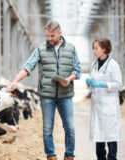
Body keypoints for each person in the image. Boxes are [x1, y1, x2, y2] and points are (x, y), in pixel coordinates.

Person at [6, 21, 81, 160]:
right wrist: (15, 81)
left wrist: (69, 79)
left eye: (52, 35)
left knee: (70, 128)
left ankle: (69, 155)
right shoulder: (40, 49)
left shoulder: (71, 49)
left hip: (66, 95)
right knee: (47, 128)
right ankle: (51, 156)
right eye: (47, 36)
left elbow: (77, 69)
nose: (49, 39)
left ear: (60, 33)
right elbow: (28, 66)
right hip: (47, 95)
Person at [86, 38, 122, 160]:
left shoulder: (113, 64)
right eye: (93, 48)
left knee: (111, 138)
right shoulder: (94, 64)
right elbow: (92, 85)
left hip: (109, 106)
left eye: (96, 48)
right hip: (97, 106)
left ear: (104, 49)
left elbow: (118, 84)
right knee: (99, 139)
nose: (94, 51)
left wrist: (104, 85)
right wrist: (89, 83)